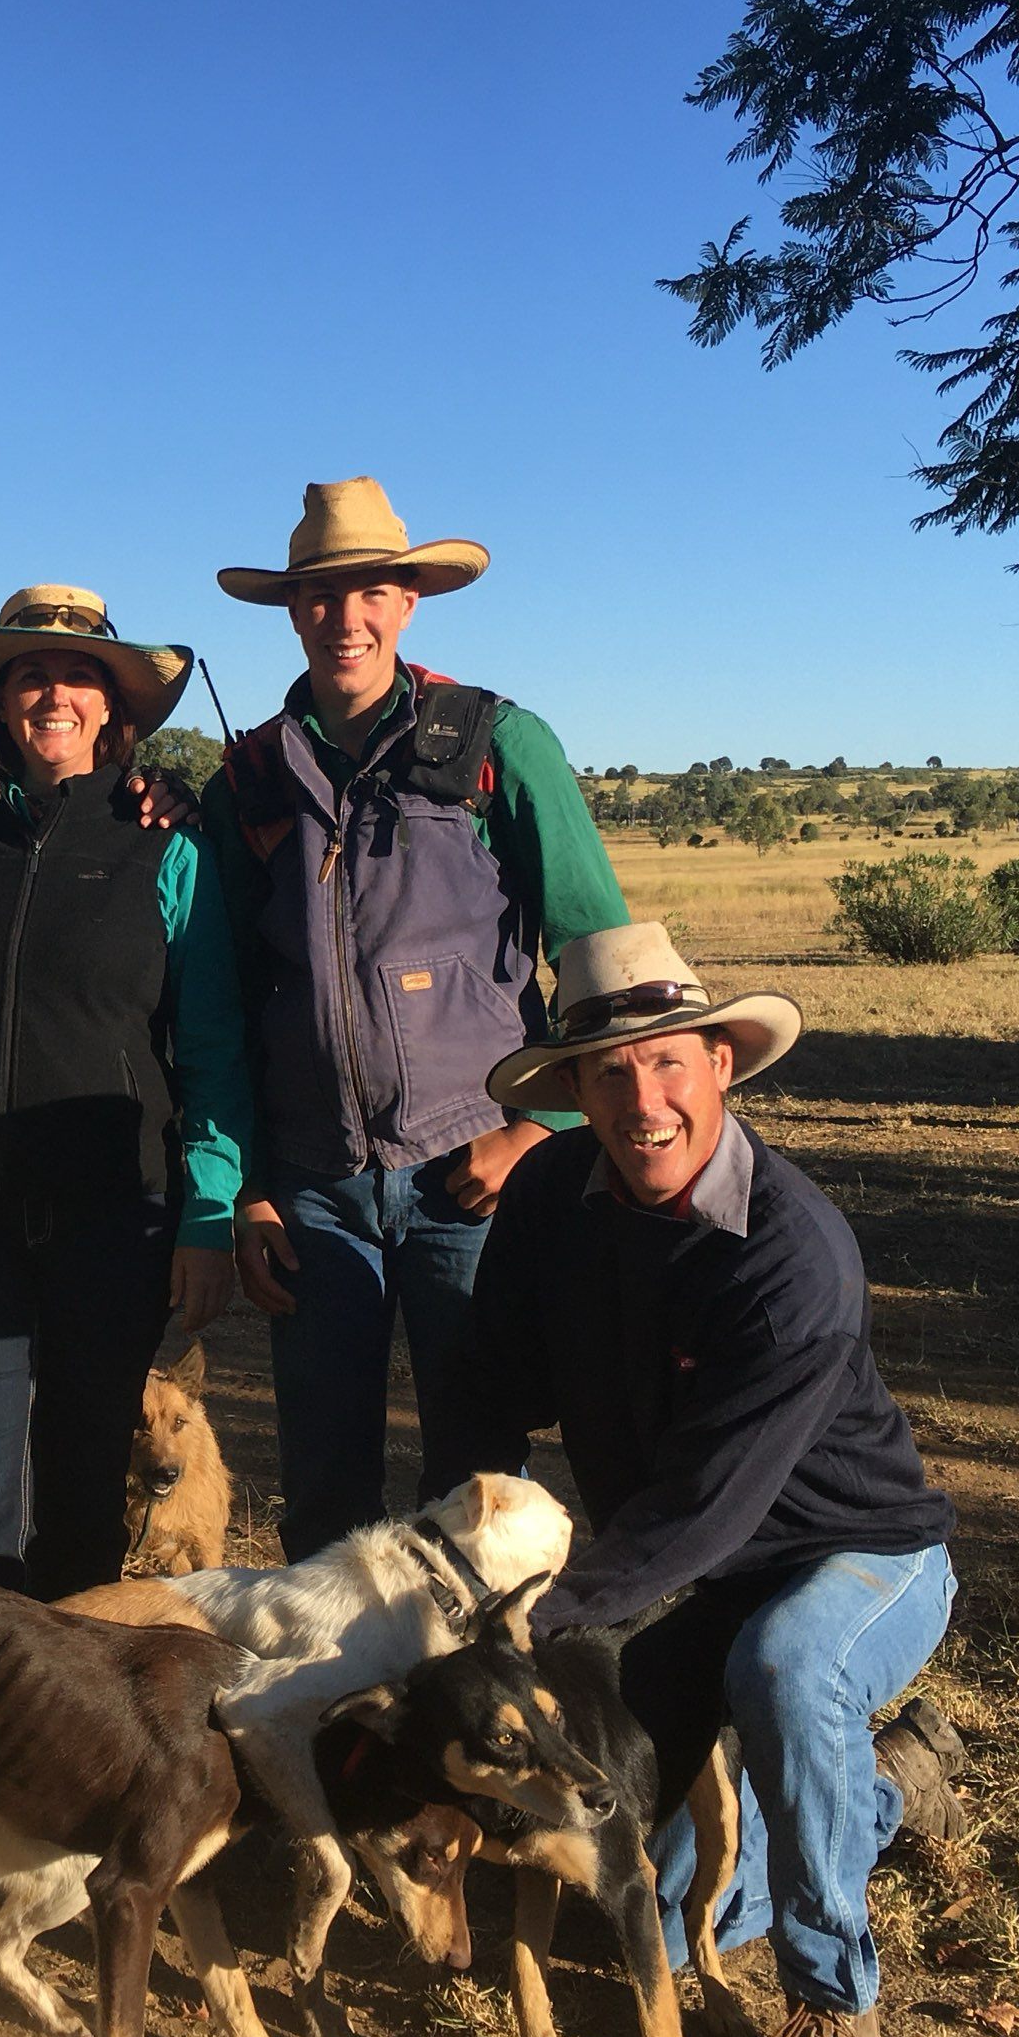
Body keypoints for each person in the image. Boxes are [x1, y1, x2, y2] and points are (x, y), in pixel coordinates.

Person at [418, 921, 966, 2037]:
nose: (642, 1100)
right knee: (651, 1920)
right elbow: (486, 1383)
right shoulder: (554, 1193)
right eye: (608, 1073)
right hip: (692, 1574)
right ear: (570, 1093)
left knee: (786, 1669)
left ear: (722, 1063)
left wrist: (521, 1621)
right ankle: (885, 1790)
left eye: (669, 1063)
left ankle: (838, 2014)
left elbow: (703, 1509)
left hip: (855, 1558)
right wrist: (450, 1558)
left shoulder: (792, 1255)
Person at [200, 476, 628, 1560]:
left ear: (408, 603)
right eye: (322, 595)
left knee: (482, 1487)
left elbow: (597, 960)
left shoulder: (498, 743)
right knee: (324, 1490)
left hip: (473, 1177)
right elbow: (224, 1000)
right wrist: (248, 1188)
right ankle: (333, 1721)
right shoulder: (248, 777)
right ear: (293, 609)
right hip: (312, 1190)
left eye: (370, 591)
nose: (345, 617)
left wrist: (538, 1132)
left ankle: (480, 1718)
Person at [0, 586, 255, 1601]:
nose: (51, 693)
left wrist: (210, 1211)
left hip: (117, 1218)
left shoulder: (170, 848)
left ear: (112, 710)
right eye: (27, 675)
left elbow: (214, 1047)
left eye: (76, 676)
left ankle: (68, 1735)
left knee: (84, 1496)